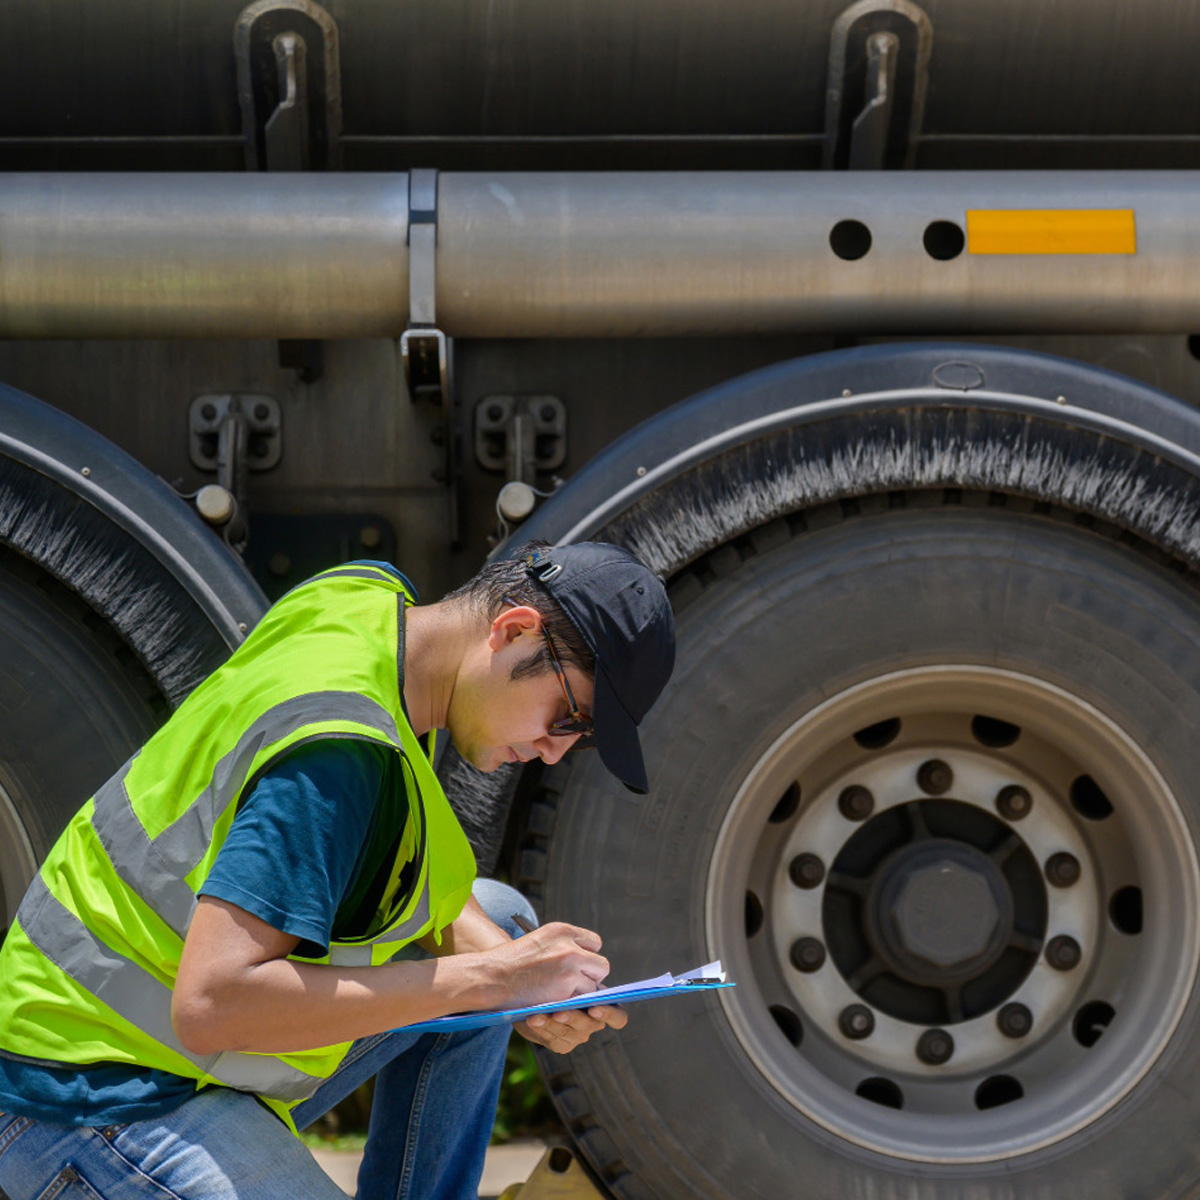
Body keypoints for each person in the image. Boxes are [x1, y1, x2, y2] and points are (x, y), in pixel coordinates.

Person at [0, 541, 676, 1200]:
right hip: (87, 1093)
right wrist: (493, 977)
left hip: (145, 1041)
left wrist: (518, 982)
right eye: (568, 716)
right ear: (514, 630)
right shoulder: (335, 755)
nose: (554, 752)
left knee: (497, 920)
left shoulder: (368, 606)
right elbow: (214, 1005)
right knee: (487, 975)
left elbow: (431, 886)